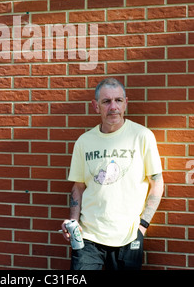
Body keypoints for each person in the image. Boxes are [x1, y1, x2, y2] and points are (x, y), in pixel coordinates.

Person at [61, 77, 164, 270]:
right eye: (106, 101)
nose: (113, 107)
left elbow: (157, 182)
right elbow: (78, 187)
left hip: (129, 236)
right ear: (95, 106)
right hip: (88, 238)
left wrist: (142, 226)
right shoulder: (84, 141)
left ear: (126, 103)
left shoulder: (142, 136)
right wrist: (74, 222)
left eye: (118, 100)